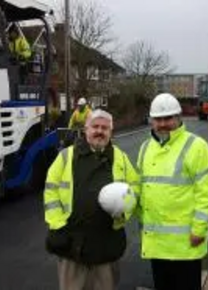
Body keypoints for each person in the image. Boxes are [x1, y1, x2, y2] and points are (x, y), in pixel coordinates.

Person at [44, 109, 139, 290]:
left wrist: (122, 211)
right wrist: (58, 225)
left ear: (111, 132)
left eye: (105, 128)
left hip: (106, 243)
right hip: (72, 244)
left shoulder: (121, 158)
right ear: (85, 129)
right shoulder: (66, 156)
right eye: (95, 126)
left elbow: (134, 188)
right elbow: (51, 191)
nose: (99, 131)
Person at [136, 93, 208, 290]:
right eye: (158, 119)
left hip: (186, 245)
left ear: (179, 118)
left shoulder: (196, 147)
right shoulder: (145, 148)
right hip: (157, 244)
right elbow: (140, 187)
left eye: (168, 118)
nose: (163, 124)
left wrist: (199, 229)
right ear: (151, 120)